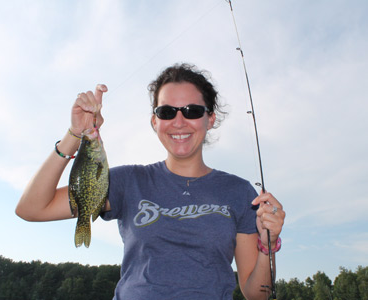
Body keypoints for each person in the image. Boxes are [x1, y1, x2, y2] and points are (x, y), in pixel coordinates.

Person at [16, 63, 285, 300]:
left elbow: (256, 294)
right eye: (167, 112)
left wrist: (268, 246)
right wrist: (75, 134)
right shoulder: (127, 181)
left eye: (191, 110)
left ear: (210, 119)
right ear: (155, 121)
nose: (179, 121)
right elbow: (31, 209)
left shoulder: (238, 192)